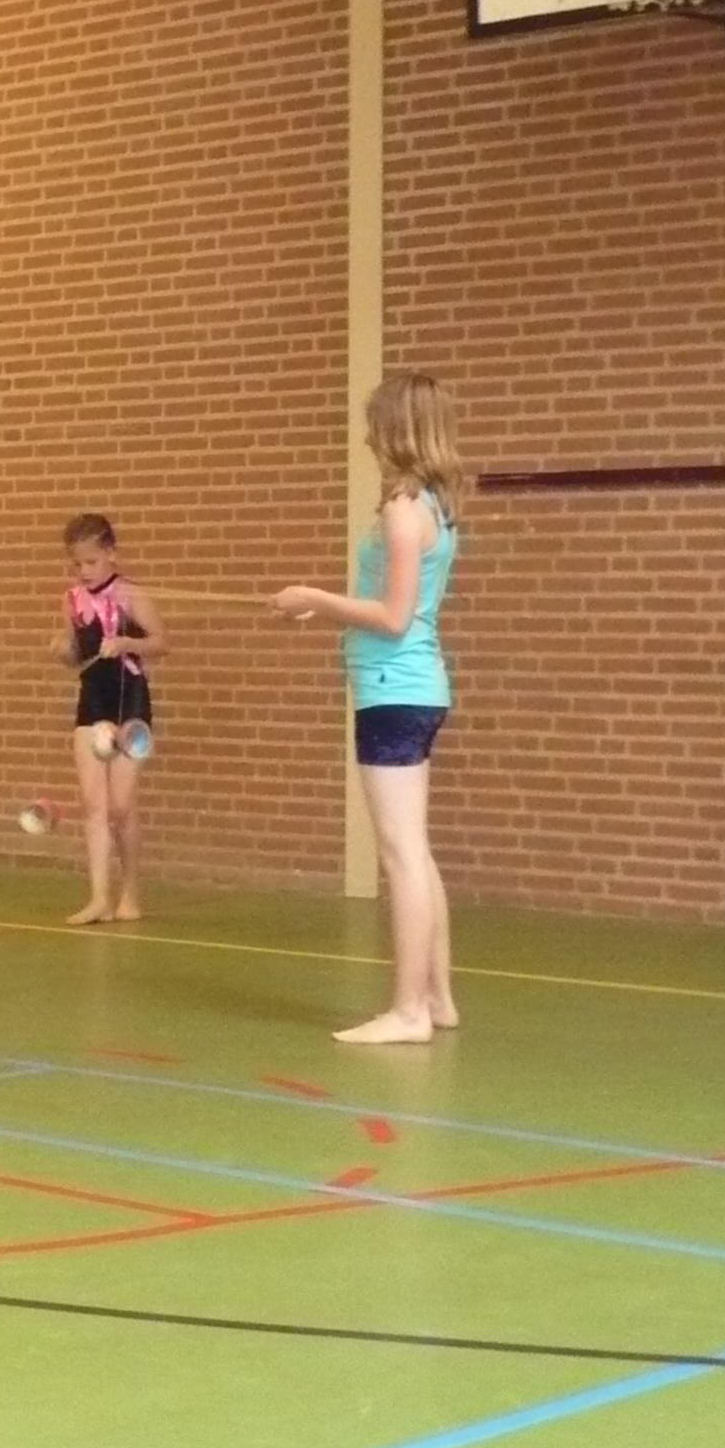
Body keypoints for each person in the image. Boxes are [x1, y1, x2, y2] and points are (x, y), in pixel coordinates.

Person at [272, 373, 466, 1045]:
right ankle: (436, 997)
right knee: (416, 849)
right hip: (412, 688)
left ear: (396, 431)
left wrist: (315, 597)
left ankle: (409, 1011)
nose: (365, 438)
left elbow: (392, 616)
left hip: (393, 689)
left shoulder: (404, 509)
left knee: (401, 852)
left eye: (373, 425)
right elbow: (392, 607)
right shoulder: (433, 504)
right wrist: (327, 610)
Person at [56, 513, 165, 925]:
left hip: (130, 702)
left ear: (110, 554)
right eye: (77, 564)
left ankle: (131, 890)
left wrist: (126, 643)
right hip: (92, 703)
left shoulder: (130, 594)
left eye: (91, 562)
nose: (84, 571)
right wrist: (62, 650)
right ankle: (99, 897)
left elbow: (162, 642)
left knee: (120, 807)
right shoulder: (71, 600)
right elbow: (75, 654)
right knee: (93, 805)